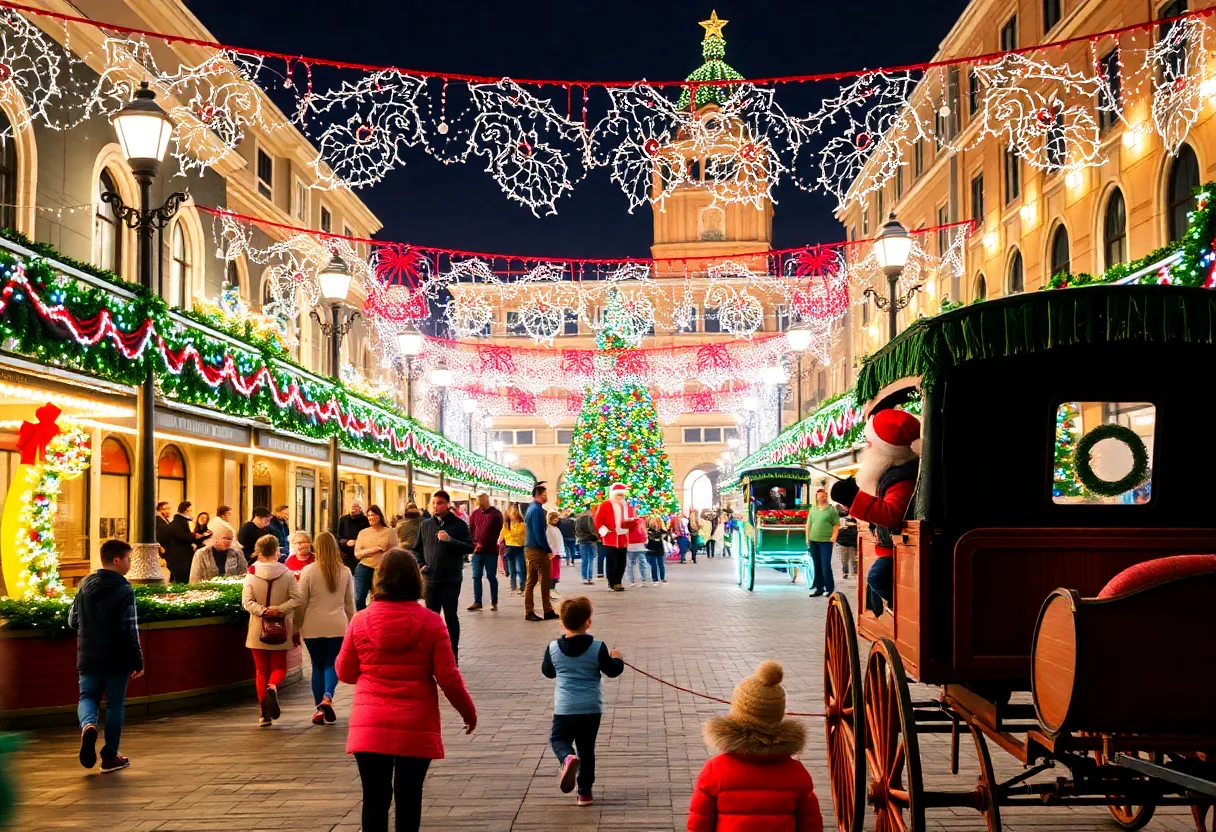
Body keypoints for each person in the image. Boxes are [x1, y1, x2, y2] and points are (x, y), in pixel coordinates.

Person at [336, 548, 476, 832]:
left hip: (370, 723)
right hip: (416, 721)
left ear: (379, 580)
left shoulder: (360, 620)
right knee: (409, 796)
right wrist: (467, 712)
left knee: (374, 798)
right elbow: (448, 677)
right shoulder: (431, 621)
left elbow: (345, 672)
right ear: (415, 579)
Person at [687, 660, 823, 832]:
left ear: (737, 712)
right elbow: (811, 825)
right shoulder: (797, 773)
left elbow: (699, 823)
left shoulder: (714, 770)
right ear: (778, 715)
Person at [830, 408, 921, 618]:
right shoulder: (891, 474)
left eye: (870, 444)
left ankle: (901, 610)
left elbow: (891, 514)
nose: (867, 448)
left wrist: (855, 497)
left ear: (885, 450)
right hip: (889, 547)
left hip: (896, 549)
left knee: (877, 577)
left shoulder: (901, 478)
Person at [541, 596, 624, 806]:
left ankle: (567, 757)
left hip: (565, 707)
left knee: (558, 739)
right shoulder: (598, 647)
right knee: (587, 749)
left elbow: (548, 672)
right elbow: (612, 671)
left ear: (561, 622)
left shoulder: (553, 648)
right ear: (588, 621)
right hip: (591, 708)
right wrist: (617, 658)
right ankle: (584, 792)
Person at [71, 539, 143, 773]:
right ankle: (110, 756)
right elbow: (130, 629)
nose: (130, 564)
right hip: (117, 657)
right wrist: (137, 660)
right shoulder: (124, 589)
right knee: (114, 706)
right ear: (116, 560)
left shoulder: (84, 584)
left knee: (86, 696)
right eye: (128, 559)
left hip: (88, 654)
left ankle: (88, 724)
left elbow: (72, 620)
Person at [241, 534, 302, 726]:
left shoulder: (251, 572)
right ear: (277, 551)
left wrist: (263, 611)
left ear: (259, 551)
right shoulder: (287, 573)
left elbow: (246, 602)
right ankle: (273, 687)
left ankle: (263, 713)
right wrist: (279, 610)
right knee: (279, 667)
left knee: (260, 670)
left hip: (258, 627)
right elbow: (296, 598)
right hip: (281, 626)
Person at [297, 531, 354, 726]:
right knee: (331, 664)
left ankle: (319, 709)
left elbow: (301, 602)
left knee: (317, 666)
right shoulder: (345, 571)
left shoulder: (308, 571)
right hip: (337, 624)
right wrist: (352, 625)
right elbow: (349, 604)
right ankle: (328, 696)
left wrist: (296, 625)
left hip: (312, 624)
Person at [413, 490, 474, 661]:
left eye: (439, 503)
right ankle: (431, 654)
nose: (435, 506)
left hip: (451, 578)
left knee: (450, 616)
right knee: (430, 618)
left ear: (447, 504)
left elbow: (469, 547)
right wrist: (421, 564)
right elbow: (416, 548)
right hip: (430, 578)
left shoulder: (458, 525)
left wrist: (450, 541)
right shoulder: (426, 525)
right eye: (433, 503)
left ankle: (453, 654)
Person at [595, 483, 638, 592]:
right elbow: (598, 520)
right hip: (610, 537)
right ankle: (611, 582)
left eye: (622, 495)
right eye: (618, 494)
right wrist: (603, 530)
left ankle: (618, 581)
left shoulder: (627, 507)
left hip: (623, 537)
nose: (620, 497)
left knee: (621, 562)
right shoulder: (605, 505)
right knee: (611, 562)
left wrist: (631, 524)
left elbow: (632, 519)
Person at [524, 483, 558, 621]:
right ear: (539, 495)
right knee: (544, 580)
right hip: (537, 550)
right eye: (544, 495)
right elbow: (539, 533)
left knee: (531, 580)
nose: (546, 497)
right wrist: (547, 549)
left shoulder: (532, 508)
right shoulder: (537, 510)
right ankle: (546, 609)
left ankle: (530, 610)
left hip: (530, 548)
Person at [354, 505, 398, 612]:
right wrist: (372, 550)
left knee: (378, 600)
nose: (370, 518)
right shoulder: (363, 533)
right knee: (358, 598)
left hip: (381, 569)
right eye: (368, 515)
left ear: (379, 516)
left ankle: (373, 620)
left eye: (373, 515)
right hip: (364, 568)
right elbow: (357, 554)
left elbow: (394, 552)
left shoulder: (389, 532)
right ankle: (362, 620)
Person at [468, 493, 504, 612]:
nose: (479, 504)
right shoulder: (475, 514)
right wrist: (474, 545)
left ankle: (494, 600)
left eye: (481, 501)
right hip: (477, 552)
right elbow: (471, 530)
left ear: (486, 499)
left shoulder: (496, 514)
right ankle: (477, 601)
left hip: (490, 551)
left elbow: (496, 532)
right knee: (476, 576)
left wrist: (483, 544)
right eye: (478, 501)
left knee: (491, 576)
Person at [806, 488, 840, 598]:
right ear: (816, 497)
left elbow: (836, 524)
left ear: (826, 497)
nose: (821, 498)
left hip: (826, 541)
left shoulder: (831, 510)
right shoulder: (813, 509)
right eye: (819, 496)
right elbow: (808, 524)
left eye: (823, 496)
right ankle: (819, 588)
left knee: (825, 565)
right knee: (817, 565)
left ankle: (830, 588)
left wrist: (834, 536)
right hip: (813, 540)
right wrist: (807, 538)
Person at [159, 501, 200, 583]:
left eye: (168, 508)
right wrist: (193, 536)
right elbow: (180, 535)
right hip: (178, 557)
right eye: (164, 509)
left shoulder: (173, 521)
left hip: (179, 556)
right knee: (182, 580)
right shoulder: (174, 521)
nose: (167, 511)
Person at [500, 503, 528, 595]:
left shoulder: (522, 523)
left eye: (513, 512)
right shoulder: (506, 523)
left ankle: (523, 586)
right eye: (510, 512)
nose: (511, 514)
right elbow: (503, 533)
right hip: (509, 547)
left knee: (521, 568)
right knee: (512, 569)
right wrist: (499, 541)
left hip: (520, 547)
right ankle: (513, 587)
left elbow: (521, 533)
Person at [337, 499, 371, 572]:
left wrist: (356, 542)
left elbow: (369, 538)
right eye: (352, 506)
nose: (353, 508)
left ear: (360, 508)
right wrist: (345, 542)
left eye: (356, 506)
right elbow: (339, 537)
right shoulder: (343, 520)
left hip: (362, 555)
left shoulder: (366, 520)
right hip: (346, 555)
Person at [574, 508, 598, 585]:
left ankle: (584, 578)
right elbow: (594, 529)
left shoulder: (578, 520)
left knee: (584, 559)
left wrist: (580, 536)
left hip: (582, 540)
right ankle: (590, 578)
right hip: (592, 540)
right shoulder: (591, 519)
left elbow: (576, 530)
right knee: (591, 559)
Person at [625, 512, 650, 588]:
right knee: (643, 563)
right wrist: (645, 541)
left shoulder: (627, 521)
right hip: (640, 545)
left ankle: (632, 581)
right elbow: (643, 532)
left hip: (630, 545)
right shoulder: (641, 521)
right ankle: (645, 580)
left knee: (630, 564)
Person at [546, 511, 565, 599]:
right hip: (552, 554)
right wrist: (552, 551)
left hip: (557, 553)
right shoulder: (549, 529)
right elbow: (551, 541)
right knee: (551, 573)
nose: (556, 520)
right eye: (554, 518)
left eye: (556, 518)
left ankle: (553, 590)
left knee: (555, 573)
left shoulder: (556, 528)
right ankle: (550, 591)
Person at [645, 515, 668, 585]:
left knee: (661, 565)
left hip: (660, 550)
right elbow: (652, 538)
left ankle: (663, 578)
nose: (656, 525)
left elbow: (666, 536)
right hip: (651, 550)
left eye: (657, 523)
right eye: (654, 524)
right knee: (654, 565)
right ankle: (655, 579)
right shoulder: (649, 531)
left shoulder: (661, 531)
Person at [836, 508, 859, 580]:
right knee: (844, 557)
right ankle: (846, 571)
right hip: (843, 539)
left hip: (852, 538)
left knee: (854, 557)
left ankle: (854, 572)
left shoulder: (854, 512)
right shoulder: (838, 508)